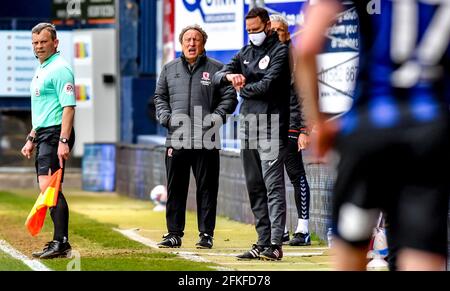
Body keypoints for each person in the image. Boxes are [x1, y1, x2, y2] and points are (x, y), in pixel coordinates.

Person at [297, 0, 450, 270]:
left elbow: (307, 46)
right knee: (420, 252)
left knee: (350, 250)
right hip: (430, 134)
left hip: (368, 132)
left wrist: (318, 121)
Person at [213, 7, 291, 261]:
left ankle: (276, 244)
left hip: (270, 126)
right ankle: (262, 241)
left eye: (256, 29)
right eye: (249, 30)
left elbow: (268, 85)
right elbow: (217, 76)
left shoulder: (280, 50)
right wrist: (229, 76)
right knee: (255, 186)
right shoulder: (244, 53)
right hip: (247, 127)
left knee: (273, 186)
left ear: (267, 26)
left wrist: (242, 88)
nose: (252, 34)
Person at [154, 25, 237, 249]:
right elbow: (160, 97)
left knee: (207, 189)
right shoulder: (169, 69)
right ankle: (173, 234)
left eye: (196, 40)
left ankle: (206, 235)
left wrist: (217, 117)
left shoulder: (218, 70)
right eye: (188, 40)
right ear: (181, 44)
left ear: (203, 44)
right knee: (175, 188)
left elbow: (230, 97)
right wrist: (166, 118)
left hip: (206, 139)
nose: (192, 43)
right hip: (177, 139)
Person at [21, 23, 76, 259]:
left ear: (55, 43)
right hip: (44, 133)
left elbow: (68, 107)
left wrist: (64, 140)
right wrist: (31, 137)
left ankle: (61, 242)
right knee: (49, 188)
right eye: (35, 42)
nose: (39, 46)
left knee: (49, 187)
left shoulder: (61, 68)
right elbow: (43, 109)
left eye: (43, 42)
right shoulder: (42, 68)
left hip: (56, 134)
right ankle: (59, 242)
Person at [270, 14, 312, 246]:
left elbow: (305, 96)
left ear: (287, 32)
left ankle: (303, 229)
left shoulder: (296, 58)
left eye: (279, 30)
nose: (275, 34)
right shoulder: (267, 57)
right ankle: (281, 229)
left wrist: (304, 129)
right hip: (269, 126)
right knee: (272, 178)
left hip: (291, 126)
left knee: (296, 175)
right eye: (271, 30)